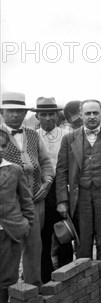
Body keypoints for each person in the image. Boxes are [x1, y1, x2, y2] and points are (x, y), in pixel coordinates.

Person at [55, 99, 101, 260]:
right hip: (80, 196)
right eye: (88, 113)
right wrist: (62, 200)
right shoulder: (69, 139)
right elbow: (61, 171)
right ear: (81, 115)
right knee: (82, 242)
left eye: (95, 113)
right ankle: (83, 280)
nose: (92, 117)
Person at [0, 92, 54, 287]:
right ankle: (10, 294)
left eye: (20, 111)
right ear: (2, 112)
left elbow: (46, 162)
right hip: (9, 205)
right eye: (11, 111)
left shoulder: (33, 134)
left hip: (35, 200)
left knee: (34, 247)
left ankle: (33, 291)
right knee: (10, 249)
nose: (15, 115)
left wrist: (47, 182)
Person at [33, 97, 73, 283]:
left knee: (65, 234)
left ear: (57, 116)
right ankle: (45, 278)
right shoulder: (31, 136)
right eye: (43, 115)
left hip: (62, 189)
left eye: (51, 114)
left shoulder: (68, 134)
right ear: (37, 116)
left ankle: (67, 275)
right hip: (40, 191)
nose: (48, 118)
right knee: (42, 236)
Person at [0, 130, 35, 303]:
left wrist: (26, 225)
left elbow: (26, 200)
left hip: (9, 232)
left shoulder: (14, 170)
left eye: (3, 146)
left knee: (7, 279)